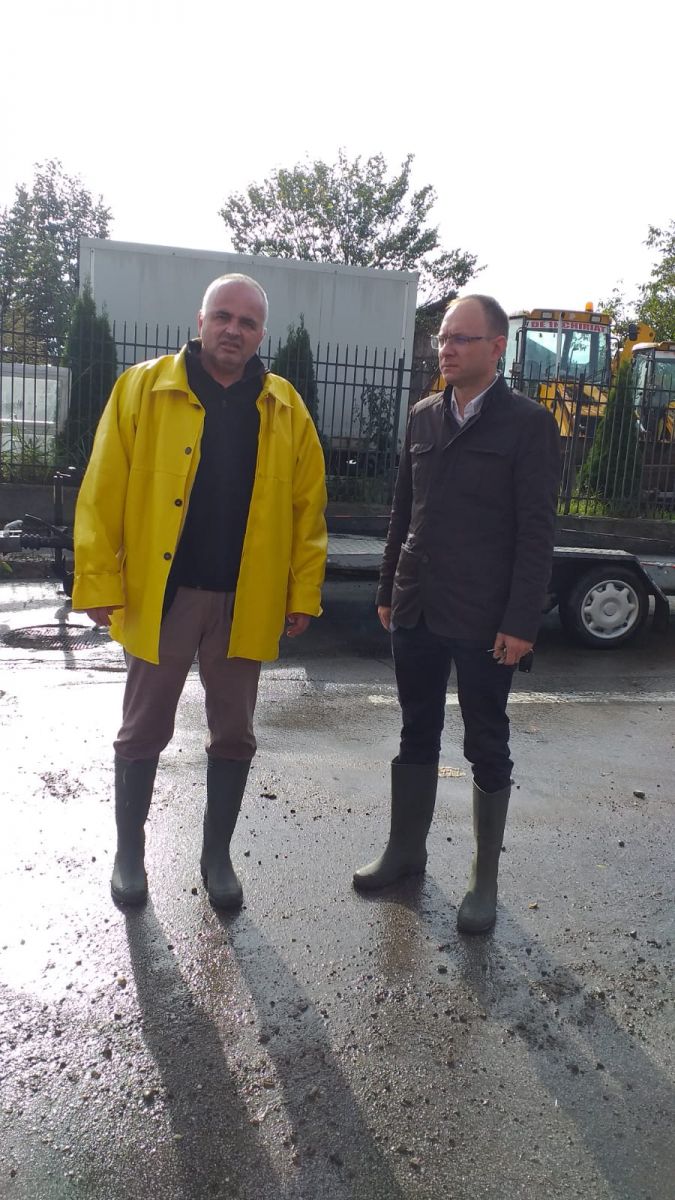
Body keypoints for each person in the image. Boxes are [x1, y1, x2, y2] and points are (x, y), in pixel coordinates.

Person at [72, 274, 327, 909]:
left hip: (246, 600)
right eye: (223, 316)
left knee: (234, 734)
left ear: (260, 334)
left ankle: (216, 857)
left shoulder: (285, 407)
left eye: (247, 322)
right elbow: (102, 488)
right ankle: (130, 855)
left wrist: (302, 593)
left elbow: (308, 511)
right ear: (201, 320)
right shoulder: (144, 388)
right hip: (164, 595)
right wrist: (98, 578)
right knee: (142, 729)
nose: (233, 330)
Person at [353, 295, 560, 933]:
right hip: (416, 605)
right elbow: (403, 511)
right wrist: (387, 588)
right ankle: (405, 852)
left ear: (497, 347)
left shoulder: (527, 425)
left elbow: (536, 532)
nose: (446, 348)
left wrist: (521, 622)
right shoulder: (423, 416)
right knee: (415, 731)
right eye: (443, 338)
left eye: (461, 339)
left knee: (485, 741)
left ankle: (483, 879)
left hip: (485, 616)